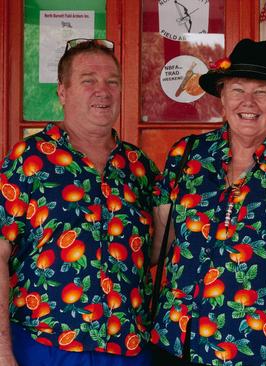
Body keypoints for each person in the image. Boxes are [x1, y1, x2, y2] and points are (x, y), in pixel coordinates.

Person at [149, 39, 266, 365]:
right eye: (237, 90)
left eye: (262, 92)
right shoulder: (187, 155)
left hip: (263, 353)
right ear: (221, 98)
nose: (248, 102)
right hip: (176, 346)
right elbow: (159, 241)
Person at [0, 39, 158, 366]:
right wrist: (2, 352)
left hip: (126, 348)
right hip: (44, 344)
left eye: (112, 82)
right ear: (63, 92)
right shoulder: (27, 160)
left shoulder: (139, 166)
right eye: (88, 81)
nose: (103, 91)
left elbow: (158, 249)